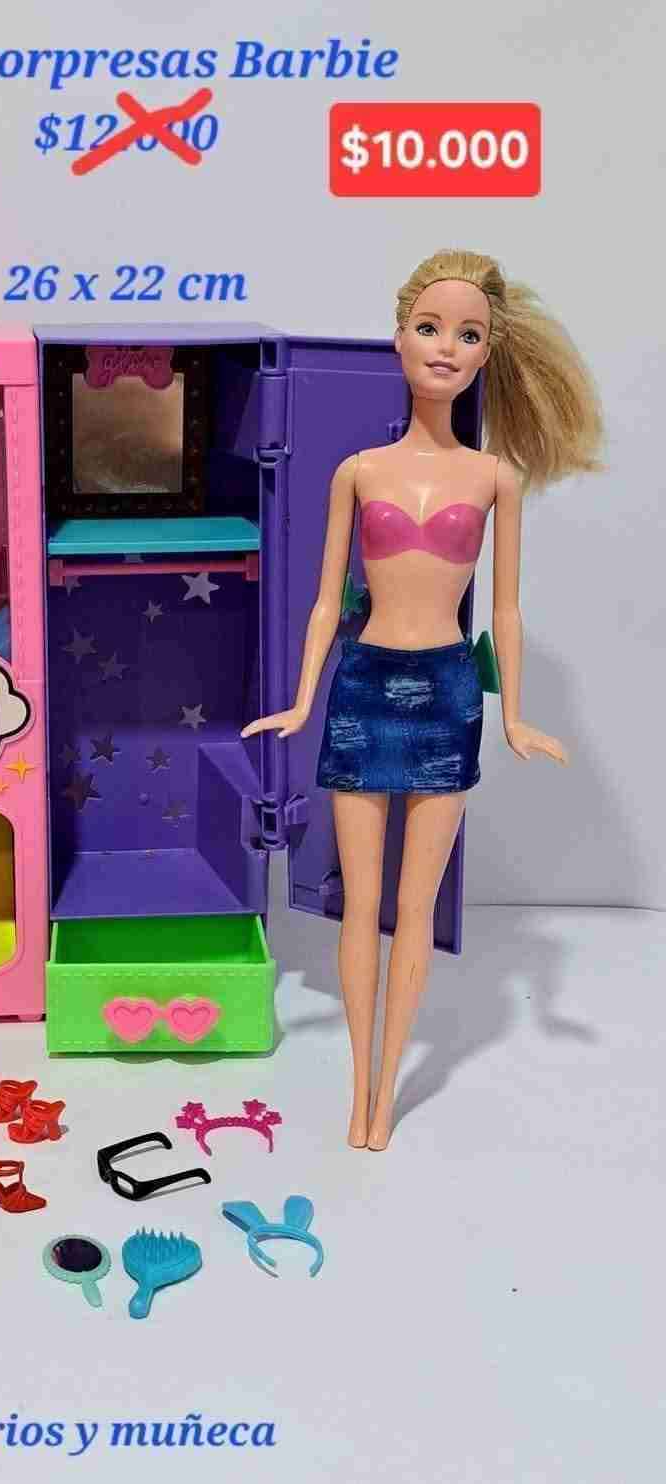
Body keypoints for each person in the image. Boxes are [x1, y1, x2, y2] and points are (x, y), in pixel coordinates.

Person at [243, 249, 603, 1150]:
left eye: (468, 334)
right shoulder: (358, 470)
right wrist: (300, 701)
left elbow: (507, 610)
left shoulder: (494, 478)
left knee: (413, 907)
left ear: (489, 353)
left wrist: (512, 714)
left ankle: (387, 1090)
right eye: (430, 327)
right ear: (399, 337)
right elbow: (324, 601)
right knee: (359, 904)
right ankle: (360, 1088)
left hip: (447, 694)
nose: (446, 347)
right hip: (362, 688)